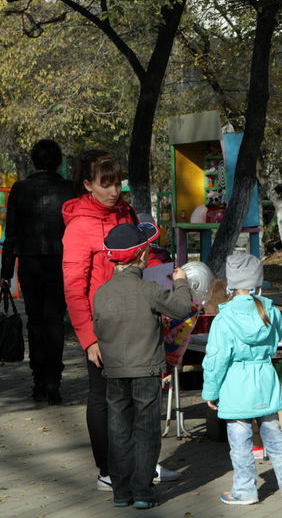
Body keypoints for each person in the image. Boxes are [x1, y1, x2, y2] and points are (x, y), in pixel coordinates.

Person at [61, 150, 181, 491]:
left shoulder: (126, 212)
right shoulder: (80, 226)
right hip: (104, 325)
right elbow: (73, 288)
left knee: (140, 394)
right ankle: (108, 470)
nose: (114, 191)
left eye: (117, 183)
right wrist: (88, 338)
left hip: (139, 316)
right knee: (104, 396)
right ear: (88, 185)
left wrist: (160, 265)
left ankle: (142, 463)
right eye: (106, 184)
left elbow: (143, 251)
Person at [92, 223, 193, 509]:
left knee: (118, 432)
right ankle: (143, 493)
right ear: (141, 255)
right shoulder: (149, 290)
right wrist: (182, 281)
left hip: (114, 371)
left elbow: (101, 329)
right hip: (146, 370)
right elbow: (182, 308)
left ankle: (121, 493)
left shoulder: (101, 293)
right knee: (146, 432)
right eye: (146, 248)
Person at [201, 253, 282, 505]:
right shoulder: (271, 311)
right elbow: (276, 338)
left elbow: (216, 360)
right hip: (265, 380)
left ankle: (245, 491)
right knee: (275, 437)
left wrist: (210, 392)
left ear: (231, 284)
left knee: (240, 445)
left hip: (236, 385)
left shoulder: (223, 319)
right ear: (259, 283)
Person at [0, 139, 74, 404]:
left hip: (29, 263)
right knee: (55, 321)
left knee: (35, 320)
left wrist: (5, 271)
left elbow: (11, 234)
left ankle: (39, 381)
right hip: (60, 262)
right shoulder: (69, 189)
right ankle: (53, 381)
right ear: (58, 161)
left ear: (33, 160)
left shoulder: (20, 189)